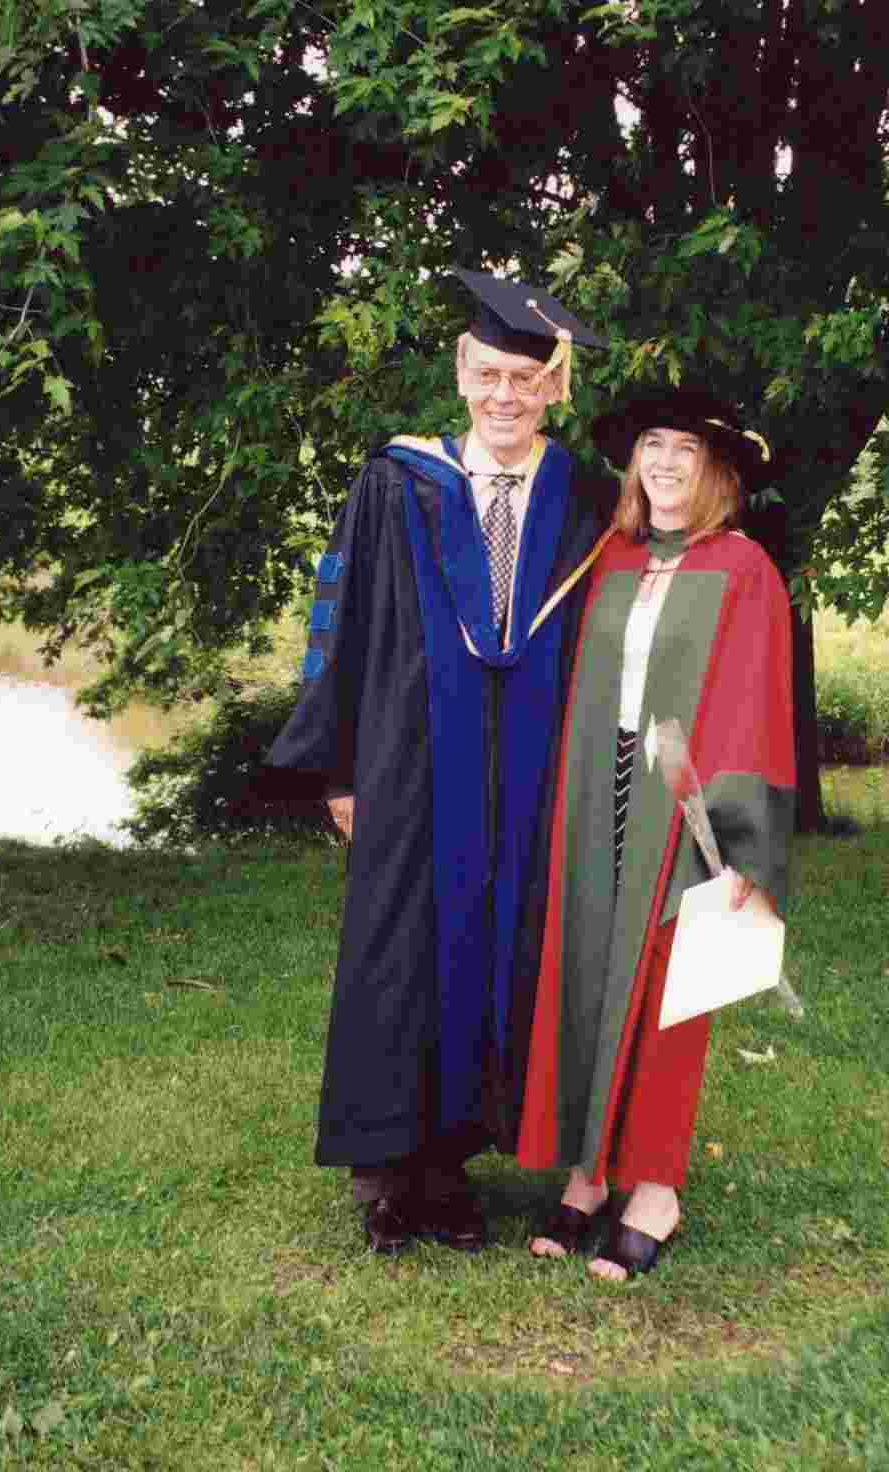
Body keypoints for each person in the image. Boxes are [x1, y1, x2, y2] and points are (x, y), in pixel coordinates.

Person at [257, 270, 613, 1255]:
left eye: (524, 380)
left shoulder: (583, 495)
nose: (504, 396)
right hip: (410, 762)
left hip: (531, 772)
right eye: (488, 374)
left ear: (552, 388)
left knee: (495, 952)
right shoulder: (399, 482)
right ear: (460, 373)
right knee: (398, 953)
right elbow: (340, 622)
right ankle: (386, 1173)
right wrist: (337, 767)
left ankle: (450, 1166)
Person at [516, 387, 795, 1279]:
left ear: (716, 471)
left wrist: (741, 844)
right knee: (589, 976)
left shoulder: (743, 567)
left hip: (689, 800)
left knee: (672, 993)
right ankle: (589, 1170)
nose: (666, 463)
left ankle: (657, 1189)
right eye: (652, 446)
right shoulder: (612, 558)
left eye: (685, 449)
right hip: (596, 792)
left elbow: (756, 706)